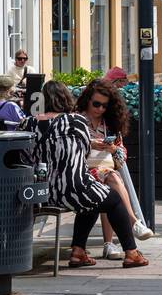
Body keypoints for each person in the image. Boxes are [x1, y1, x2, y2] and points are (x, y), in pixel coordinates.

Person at [24, 81, 147, 269]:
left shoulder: (28, 123)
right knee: (112, 199)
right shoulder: (76, 122)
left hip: (41, 193)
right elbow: (82, 153)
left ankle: (79, 252)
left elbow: (24, 156)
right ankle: (131, 252)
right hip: (71, 189)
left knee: (94, 197)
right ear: (66, 98)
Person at [75, 79, 153, 258]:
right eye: (96, 104)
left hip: (105, 169)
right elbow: (69, 147)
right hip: (82, 171)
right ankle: (133, 224)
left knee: (111, 181)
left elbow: (121, 157)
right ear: (87, 100)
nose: (100, 109)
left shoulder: (109, 125)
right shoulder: (77, 120)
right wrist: (90, 144)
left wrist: (113, 149)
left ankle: (109, 244)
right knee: (113, 181)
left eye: (104, 106)